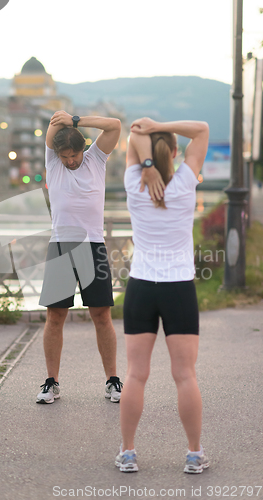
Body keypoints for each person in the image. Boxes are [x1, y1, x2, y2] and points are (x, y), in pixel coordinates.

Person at [115, 117, 210, 474]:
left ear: (145, 156)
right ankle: (194, 454)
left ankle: (127, 453)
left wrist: (148, 165)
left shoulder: (133, 184)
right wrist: (162, 124)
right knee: (185, 375)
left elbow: (133, 133)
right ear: (174, 151)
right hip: (178, 288)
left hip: (141, 286)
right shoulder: (186, 182)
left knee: (136, 374)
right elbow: (201, 129)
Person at [36, 110, 126, 404]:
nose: (70, 161)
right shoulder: (53, 160)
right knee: (55, 317)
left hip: (92, 246)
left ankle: (112, 381)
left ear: (82, 150)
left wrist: (75, 120)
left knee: (102, 316)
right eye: (65, 156)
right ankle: (52, 382)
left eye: (73, 155)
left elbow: (114, 126)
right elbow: (51, 131)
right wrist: (58, 123)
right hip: (61, 246)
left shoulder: (96, 158)